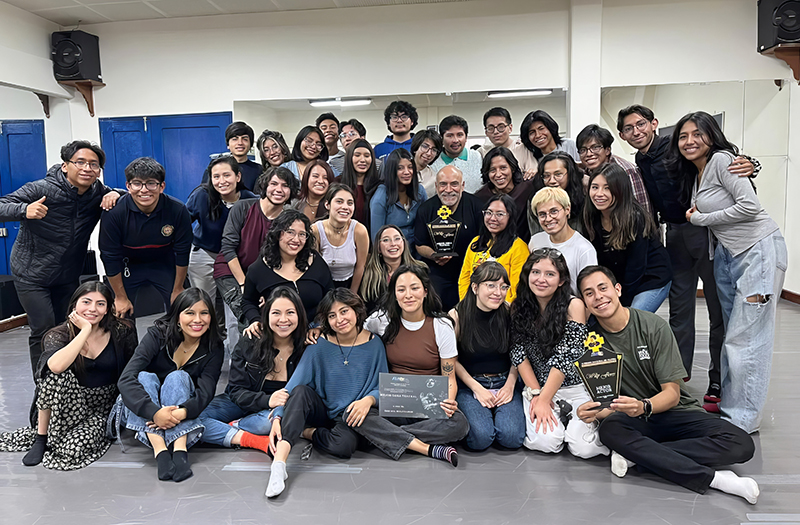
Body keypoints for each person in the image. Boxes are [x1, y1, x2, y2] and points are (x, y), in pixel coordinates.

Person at [575, 266, 759, 504]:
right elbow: (608, 402)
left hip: (674, 411)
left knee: (742, 444)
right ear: (584, 303)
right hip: (632, 418)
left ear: (617, 290)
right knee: (609, 430)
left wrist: (643, 406)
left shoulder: (653, 326)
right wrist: (591, 412)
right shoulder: (590, 341)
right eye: (589, 293)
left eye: (603, 288)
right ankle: (717, 479)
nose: (598, 296)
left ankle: (641, 456)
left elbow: (672, 394)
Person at [617, 105, 756, 400]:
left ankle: (718, 379)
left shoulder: (677, 147)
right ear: (622, 135)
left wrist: (751, 163)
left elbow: (724, 162)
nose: (636, 132)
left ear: (653, 123)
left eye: (640, 124)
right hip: (675, 235)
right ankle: (676, 378)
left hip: (707, 231)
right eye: (629, 129)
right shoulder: (639, 159)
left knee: (718, 311)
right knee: (679, 311)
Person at [668, 111, 786, 432]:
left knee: (747, 339)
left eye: (696, 134)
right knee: (734, 337)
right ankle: (732, 411)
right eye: (683, 136)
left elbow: (750, 206)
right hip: (729, 255)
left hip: (757, 250)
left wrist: (699, 219)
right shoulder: (697, 173)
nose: (689, 141)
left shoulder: (723, 160)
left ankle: (742, 420)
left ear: (712, 135)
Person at [0, 140, 120, 375]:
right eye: (80, 162)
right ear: (65, 166)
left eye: (94, 165)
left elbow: (123, 194)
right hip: (32, 273)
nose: (87, 169)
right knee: (43, 327)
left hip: (67, 274)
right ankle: (43, 379)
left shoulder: (97, 192)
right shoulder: (41, 188)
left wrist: (115, 193)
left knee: (68, 325)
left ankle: (66, 375)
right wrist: (24, 211)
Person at [0, 281, 137, 469]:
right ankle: (41, 437)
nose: (92, 309)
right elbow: (55, 367)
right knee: (54, 374)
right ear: (75, 306)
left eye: (100, 304)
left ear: (107, 309)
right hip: (69, 401)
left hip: (103, 407)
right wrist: (85, 331)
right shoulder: (58, 335)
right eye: (86, 302)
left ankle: (56, 434)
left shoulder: (123, 331)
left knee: (71, 450)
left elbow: (133, 369)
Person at [266, 288, 389, 497]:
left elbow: (383, 386)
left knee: (345, 447)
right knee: (302, 392)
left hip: (350, 416)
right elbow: (294, 385)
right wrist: (277, 417)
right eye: (332, 316)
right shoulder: (318, 344)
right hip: (321, 409)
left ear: (356, 311)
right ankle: (279, 465)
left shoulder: (375, 344)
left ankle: (306, 432)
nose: (339, 319)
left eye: (344, 311)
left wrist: (369, 400)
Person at [360, 265, 469, 466]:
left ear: (425, 291)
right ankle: (427, 447)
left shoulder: (441, 325)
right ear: (394, 294)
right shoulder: (381, 320)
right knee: (357, 413)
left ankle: (383, 437)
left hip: (429, 404)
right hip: (394, 401)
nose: (408, 295)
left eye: (415, 288)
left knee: (459, 424)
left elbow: (449, 377)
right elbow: (353, 331)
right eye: (401, 290)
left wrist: (449, 402)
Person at [115, 288, 224, 482]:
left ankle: (179, 450)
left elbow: (206, 392)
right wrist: (154, 413)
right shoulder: (157, 335)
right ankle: (162, 452)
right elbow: (126, 379)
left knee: (177, 377)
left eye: (204, 313)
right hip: (147, 409)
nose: (198, 320)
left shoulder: (214, 346)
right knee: (145, 377)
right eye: (190, 313)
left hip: (178, 410)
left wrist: (180, 413)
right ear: (177, 317)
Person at [510, 251, 608, 458]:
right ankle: (562, 427)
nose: (541, 279)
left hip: (574, 386)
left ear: (562, 280)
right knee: (547, 443)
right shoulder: (518, 306)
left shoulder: (574, 305)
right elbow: (518, 353)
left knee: (585, 449)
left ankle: (575, 428)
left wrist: (545, 400)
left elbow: (566, 356)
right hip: (537, 386)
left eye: (550, 274)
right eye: (535, 272)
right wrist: (538, 395)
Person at [198, 287, 307, 452]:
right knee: (196, 420)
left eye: (290, 312)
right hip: (242, 402)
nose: (283, 319)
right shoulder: (250, 342)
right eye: (276, 313)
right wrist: (267, 400)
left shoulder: (307, 348)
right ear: (266, 315)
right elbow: (235, 391)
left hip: (278, 411)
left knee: (269, 422)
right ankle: (248, 437)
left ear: (299, 315)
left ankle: (233, 428)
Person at [99, 157, 193, 319]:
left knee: (182, 308)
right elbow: (109, 257)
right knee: (120, 313)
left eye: (151, 183)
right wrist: (120, 297)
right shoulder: (114, 213)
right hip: (128, 265)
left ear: (161, 186)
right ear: (128, 186)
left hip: (164, 264)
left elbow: (182, 252)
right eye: (137, 183)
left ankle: (176, 343)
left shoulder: (177, 210)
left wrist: (177, 289)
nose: (144, 190)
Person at [213, 167, 298, 335]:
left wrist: (260, 286)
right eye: (274, 183)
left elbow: (282, 257)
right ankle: (240, 360)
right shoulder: (242, 208)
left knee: (269, 313)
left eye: (285, 185)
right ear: (265, 186)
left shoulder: (289, 219)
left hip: (262, 275)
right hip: (230, 271)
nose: (279, 190)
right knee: (248, 317)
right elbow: (228, 248)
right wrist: (245, 284)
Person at [450, 262, 524, 451]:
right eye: (490, 285)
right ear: (475, 287)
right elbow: (452, 361)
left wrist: (510, 385)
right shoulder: (457, 315)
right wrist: (477, 388)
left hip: (504, 381)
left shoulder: (509, 312)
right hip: (470, 384)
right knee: (480, 439)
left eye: (503, 286)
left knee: (511, 438)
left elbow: (518, 354)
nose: (498, 292)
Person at [583, 164, 672, 312]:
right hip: (620, 281)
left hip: (650, 278)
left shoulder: (635, 217)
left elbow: (636, 267)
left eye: (607, 188)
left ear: (620, 190)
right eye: (595, 187)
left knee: (631, 320)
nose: (599, 193)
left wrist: (620, 302)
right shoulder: (590, 217)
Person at [241, 209, 333, 337]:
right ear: (278, 234)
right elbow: (248, 301)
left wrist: (321, 326)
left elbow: (330, 296)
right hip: (278, 331)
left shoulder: (316, 261)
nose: (296, 239)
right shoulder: (259, 269)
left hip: (313, 330)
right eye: (290, 232)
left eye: (302, 234)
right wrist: (255, 320)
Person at [186, 156, 257, 305]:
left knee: (235, 303)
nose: (222, 181)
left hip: (236, 259)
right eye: (216, 177)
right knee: (203, 303)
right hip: (205, 253)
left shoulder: (249, 200)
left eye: (226, 175)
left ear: (237, 177)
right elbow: (183, 223)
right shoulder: (201, 196)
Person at [415, 166, 484, 310]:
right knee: (434, 304)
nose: (448, 189)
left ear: (463, 186)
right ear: (436, 186)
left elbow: (485, 241)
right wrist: (434, 255)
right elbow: (419, 245)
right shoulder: (426, 209)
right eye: (443, 184)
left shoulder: (477, 206)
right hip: (438, 272)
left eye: (454, 184)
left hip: (472, 271)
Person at [458, 194, 529, 303]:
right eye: (489, 213)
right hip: (472, 309)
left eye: (500, 214)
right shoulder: (476, 243)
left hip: (502, 311)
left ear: (510, 217)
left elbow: (517, 289)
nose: (493, 218)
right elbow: (464, 278)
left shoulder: (519, 248)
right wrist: (466, 305)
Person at [528, 187, 596, 296]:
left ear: (567, 210)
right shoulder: (536, 241)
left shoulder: (584, 249)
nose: (548, 218)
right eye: (542, 214)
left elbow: (590, 292)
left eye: (554, 212)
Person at [576, 124, 652, 218]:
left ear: (607, 150)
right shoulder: (587, 171)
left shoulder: (627, 170)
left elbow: (643, 209)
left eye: (595, 147)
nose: (589, 154)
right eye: (583, 150)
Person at [312, 184, 369, 292]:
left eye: (350, 203)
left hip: (350, 285)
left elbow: (360, 267)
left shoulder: (359, 230)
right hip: (322, 285)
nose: (345, 207)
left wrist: (352, 295)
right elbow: (314, 269)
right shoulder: (315, 230)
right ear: (327, 204)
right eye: (339, 201)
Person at [360, 225, 425, 314]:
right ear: (378, 247)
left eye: (397, 239)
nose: (393, 244)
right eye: (386, 240)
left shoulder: (420, 270)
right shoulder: (369, 275)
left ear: (404, 243)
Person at [474, 147, 535, 243]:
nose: (498, 174)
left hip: (524, 247)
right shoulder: (480, 197)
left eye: (503, 168)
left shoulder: (527, 187)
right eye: (492, 170)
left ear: (512, 168)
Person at [370, 148, 427, 248]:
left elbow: (426, 224)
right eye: (400, 168)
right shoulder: (381, 197)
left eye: (410, 167)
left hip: (417, 253)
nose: (407, 172)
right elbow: (376, 238)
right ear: (391, 171)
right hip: (391, 253)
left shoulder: (420, 191)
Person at [527, 151, 586, 236]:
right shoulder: (535, 200)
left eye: (558, 174)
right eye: (546, 176)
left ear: (570, 174)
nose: (552, 181)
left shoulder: (582, 199)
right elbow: (537, 235)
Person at [201, 122, 262, 193]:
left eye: (245, 139)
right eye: (235, 139)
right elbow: (205, 193)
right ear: (228, 144)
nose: (240, 143)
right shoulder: (216, 167)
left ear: (251, 144)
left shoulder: (258, 170)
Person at [429, 115, 483, 193]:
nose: (455, 140)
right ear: (442, 139)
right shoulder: (434, 162)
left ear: (466, 137)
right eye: (450, 136)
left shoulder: (476, 157)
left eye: (460, 135)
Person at [477, 107, 537, 176]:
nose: (496, 132)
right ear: (486, 132)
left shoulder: (523, 149)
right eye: (491, 128)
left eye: (501, 127)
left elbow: (533, 173)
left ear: (510, 128)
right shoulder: (481, 152)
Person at [337, 138, 381, 226]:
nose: (362, 160)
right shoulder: (337, 184)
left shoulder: (378, 187)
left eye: (367, 156)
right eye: (357, 155)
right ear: (349, 158)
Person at [410, 128, 442, 198]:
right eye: (425, 146)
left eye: (434, 150)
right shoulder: (400, 169)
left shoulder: (435, 178)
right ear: (416, 147)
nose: (429, 153)